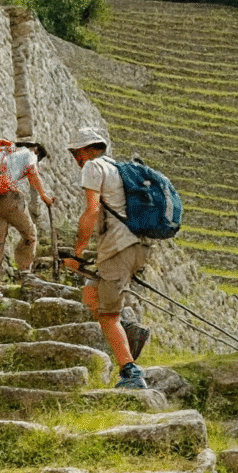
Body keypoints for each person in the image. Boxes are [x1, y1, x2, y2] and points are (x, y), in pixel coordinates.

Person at [62, 126, 151, 389]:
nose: (75, 157)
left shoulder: (93, 167)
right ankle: (127, 332)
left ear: (88, 150)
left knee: (108, 314)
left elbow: (91, 211)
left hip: (119, 248)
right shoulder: (118, 169)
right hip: (136, 246)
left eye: (76, 151)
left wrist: (78, 252)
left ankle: (131, 372)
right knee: (91, 295)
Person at [0, 138, 55, 301]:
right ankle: (25, 275)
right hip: (11, 199)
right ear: (36, 151)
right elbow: (32, 172)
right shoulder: (29, 153)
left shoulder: (3, 153)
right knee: (30, 236)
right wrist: (44, 195)